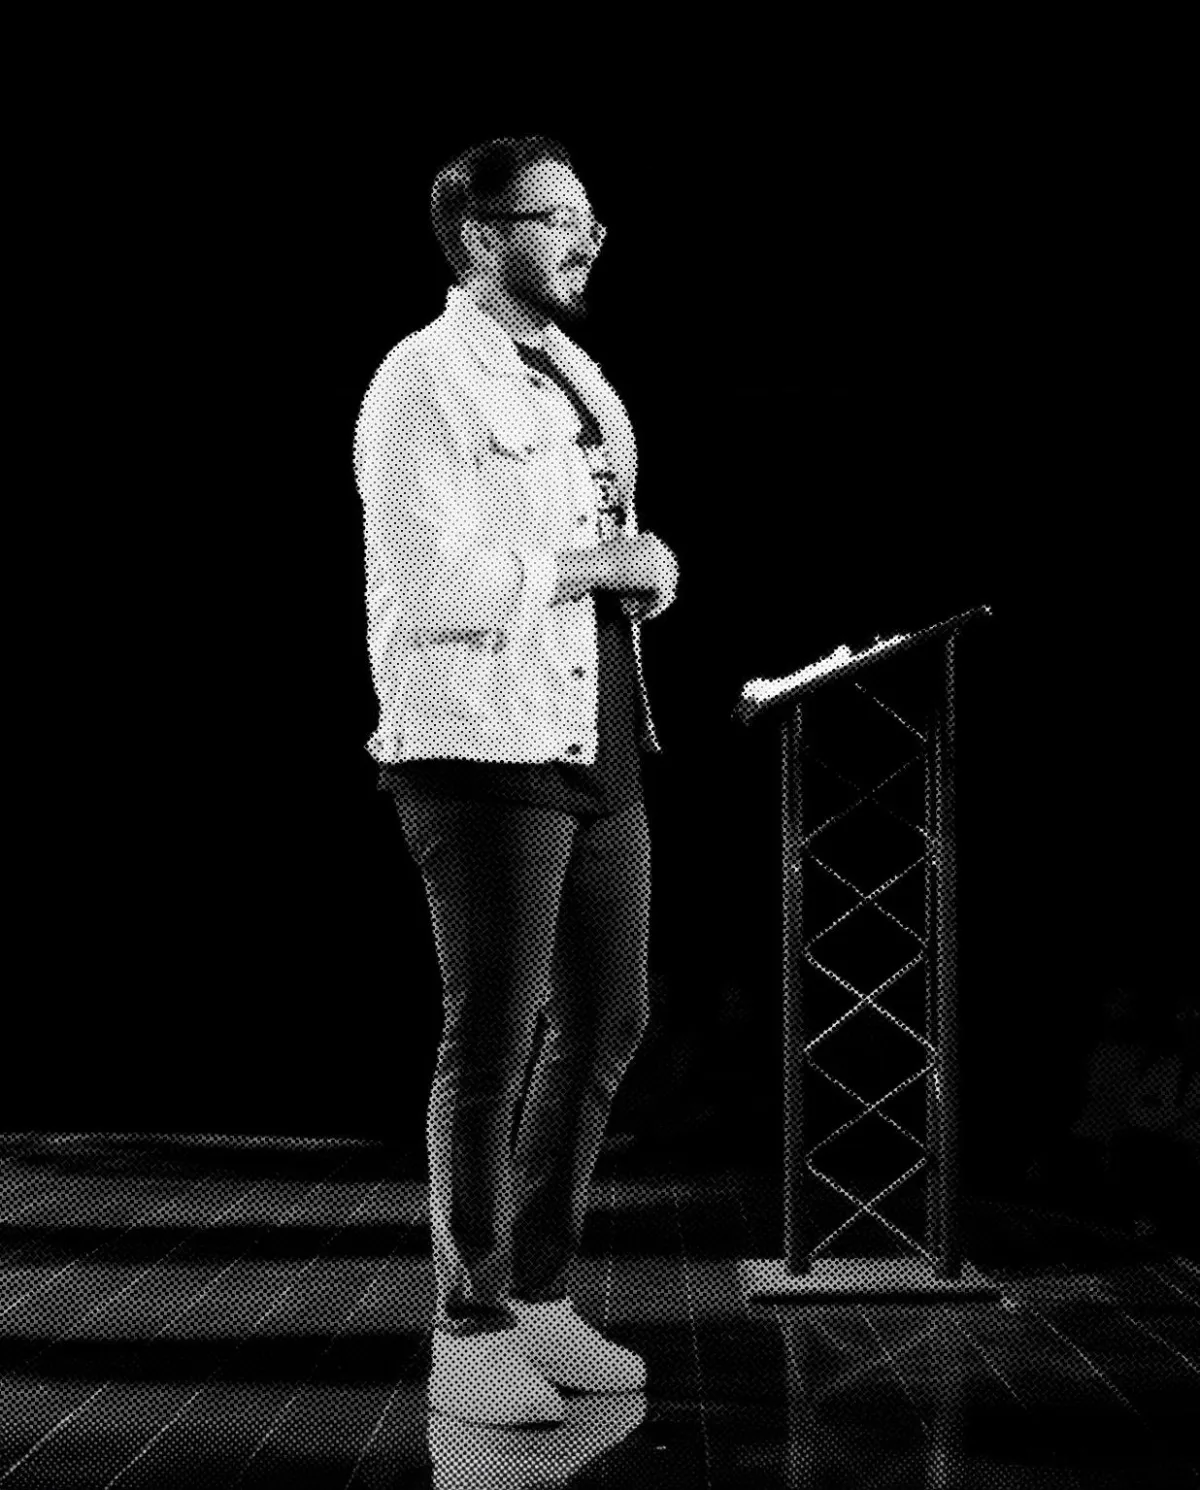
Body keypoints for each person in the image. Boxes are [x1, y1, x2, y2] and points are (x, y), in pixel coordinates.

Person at [354, 135, 679, 1427]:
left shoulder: (576, 372)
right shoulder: (421, 381)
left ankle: (539, 1290)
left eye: (594, 215)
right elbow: (434, 585)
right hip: (478, 747)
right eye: (562, 219)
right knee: (488, 1037)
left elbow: (594, 532)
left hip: (595, 732)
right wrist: (599, 570)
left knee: (609, 1019)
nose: (592, 237)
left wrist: (639, 569)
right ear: (486, 236)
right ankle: (468, 1322)